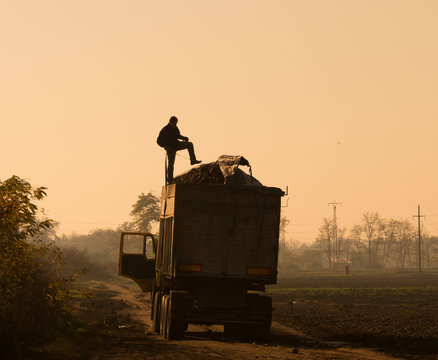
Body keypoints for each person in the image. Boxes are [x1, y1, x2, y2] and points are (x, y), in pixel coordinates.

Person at [157, 116, 201, 183]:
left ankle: (193, 160)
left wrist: (184, 138)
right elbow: (158, 141)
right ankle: (170, 180)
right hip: (170, 148)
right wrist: (164, 146)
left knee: (190, 144)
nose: (174, 125)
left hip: (177, 145)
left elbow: (178, 135)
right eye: (174, 123)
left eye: (176, 124)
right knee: (171, 164)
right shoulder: (164, 130)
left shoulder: (175, 128)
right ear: (170, 122)